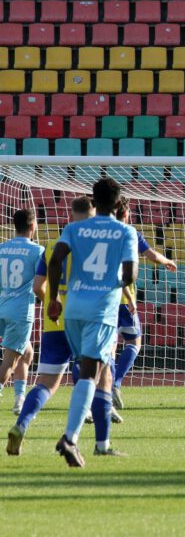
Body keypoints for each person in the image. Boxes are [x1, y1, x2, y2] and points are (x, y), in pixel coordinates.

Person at [48, 177, 138, 466]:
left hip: (72, 309)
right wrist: (115, 281)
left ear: (94, 201)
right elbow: (130, 274)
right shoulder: (125, 232)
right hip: (101, 310)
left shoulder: (74, 228)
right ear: (117, 203)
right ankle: (71, 438)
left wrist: (53, 298)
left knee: (93, 372)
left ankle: (101, 442)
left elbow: (55, 260)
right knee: (92, 373)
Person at [8, 196, 95, 456]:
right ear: (91, 216)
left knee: (45, 383)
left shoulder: (51, 246)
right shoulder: (93, 245)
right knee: (91, 373)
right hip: (84, 320)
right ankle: (83, 434)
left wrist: (53, 301)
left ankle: (21, 424)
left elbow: (37, 287)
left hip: (54, 322)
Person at [110, 197, 177, 410]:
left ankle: (105, 386)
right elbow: (152, 256)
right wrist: (167, 261)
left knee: (109, 347)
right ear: (126, 213)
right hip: (123, 298)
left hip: (103, 299)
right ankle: (115, 382)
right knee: (134, 342)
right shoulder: (130, 233)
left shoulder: (104, 235)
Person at [0, 209, 45, 418]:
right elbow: (40, 282)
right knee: (9, 361)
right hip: (20, 312)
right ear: (32, 226)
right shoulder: (37, 251)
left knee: (26, 353)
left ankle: (19, 401)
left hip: (2, 305)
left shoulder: (2, 248)